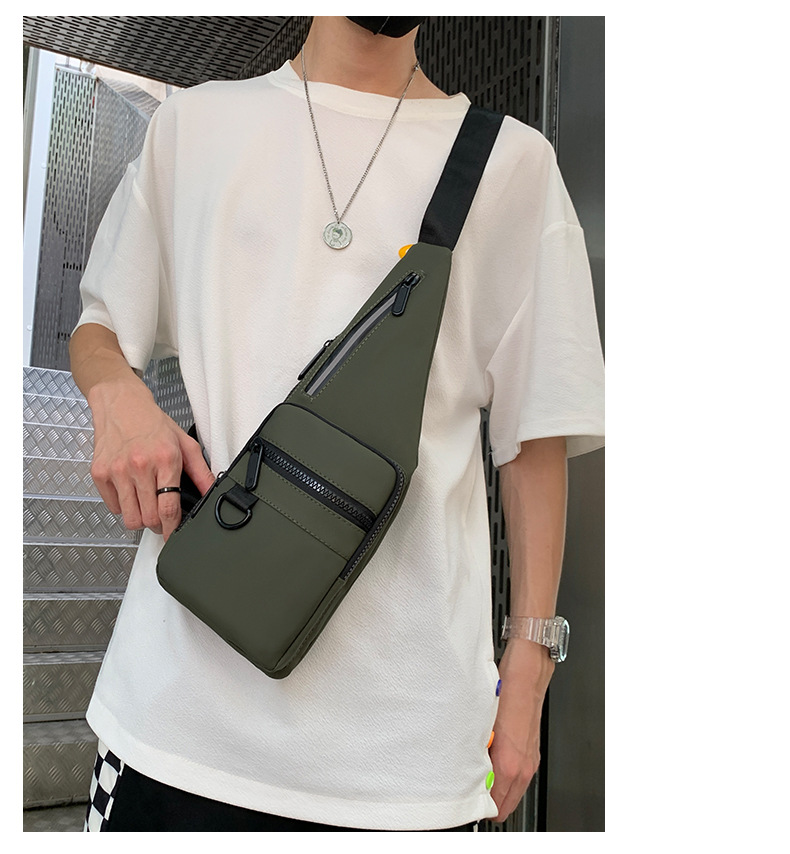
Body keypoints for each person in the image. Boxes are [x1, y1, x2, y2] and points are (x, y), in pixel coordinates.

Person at [69, 16, 604, 832]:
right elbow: (102, 323)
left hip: (408, 757)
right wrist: (118, 397)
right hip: (175, 727)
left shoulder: (512, 164)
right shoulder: (196, 125)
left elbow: (537, 435)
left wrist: (528, 671)